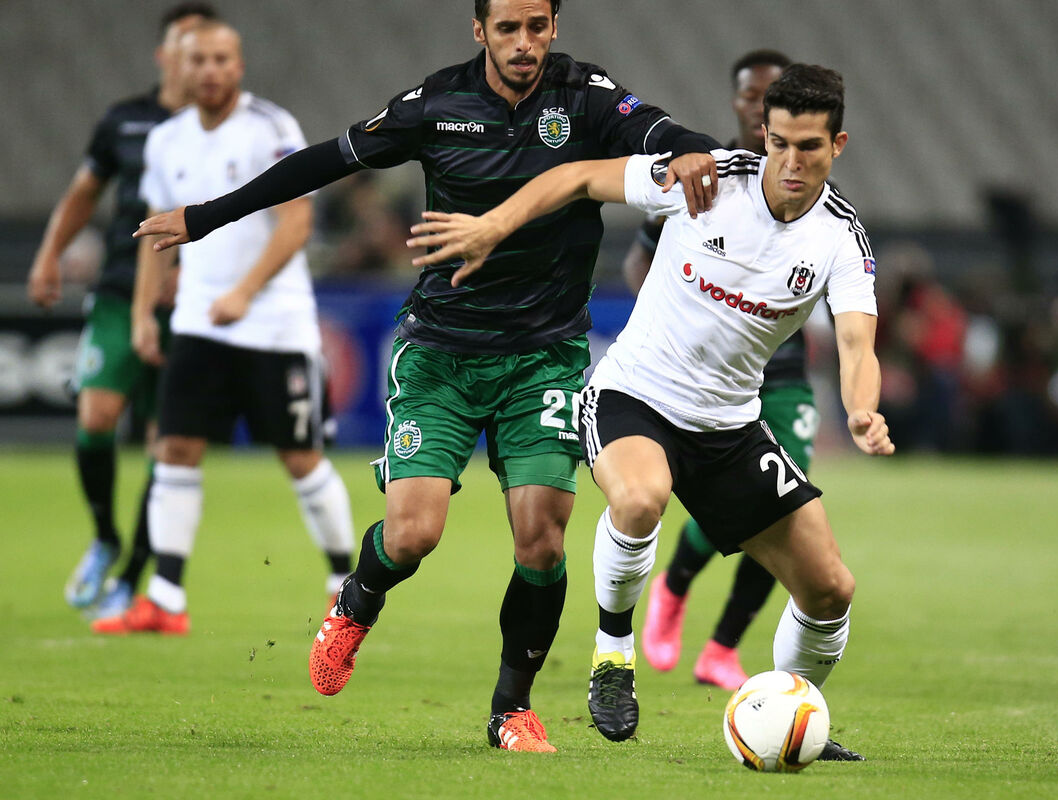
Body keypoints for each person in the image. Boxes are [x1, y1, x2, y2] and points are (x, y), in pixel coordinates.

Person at [133, 0, 720, 753]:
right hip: (442, 351)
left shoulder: (585, 96)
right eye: (507, 28)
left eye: (537, 27)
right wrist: (209, 216)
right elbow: (330, 159)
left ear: (553, 27)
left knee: (542, 542)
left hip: (543, 357)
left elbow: (660, 130)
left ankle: (511, 709)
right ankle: (359, 596)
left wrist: (694, 148)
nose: (524, 43)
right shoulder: (437, 103)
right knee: (414, 534)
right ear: (480, 31)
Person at [407, 63, 893, 760]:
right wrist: (493, 225)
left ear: (837, 145)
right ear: (763, 133)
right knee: (640, 499)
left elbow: (856, 344)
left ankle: (792, 712)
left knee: (830, 589)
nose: (791, 162)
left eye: (809, 147)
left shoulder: (840, 238)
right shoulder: (705, 181)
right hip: (635, 396)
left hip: (729, 426)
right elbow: (578, 176)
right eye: (779, 142)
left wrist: (863, 410)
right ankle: (613, 652)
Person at [91, 20, 357, 635]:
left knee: (300, 456)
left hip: (274, 326)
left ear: (238, 65)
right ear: (177, 67)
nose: (210, 70)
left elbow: (296, 222)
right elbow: (156, 233)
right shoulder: (166, 141)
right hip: (198, 324)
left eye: (221, 59)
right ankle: (166, 598)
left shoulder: (271, 127)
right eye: (199, 60)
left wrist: (245, 292)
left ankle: (342, 582)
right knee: (174, 449)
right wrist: (143, 313)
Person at [622, 49, 821, 693]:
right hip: (700, 378)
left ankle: (722, 647)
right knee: (719, 497)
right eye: (751, 95)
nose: (760, 105)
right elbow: (639, 259)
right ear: (739, 104)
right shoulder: (705, 174)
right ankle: (675, 587)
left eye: (773, 94)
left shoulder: (809, 186)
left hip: (780, 372)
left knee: (784, 503)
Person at [26, 3, 219, 619]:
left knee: (170, 444)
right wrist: (49, 255)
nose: (196, 60)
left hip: (193, 304)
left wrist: (191, 270)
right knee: (97, 415)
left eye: (207, 48)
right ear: (166, 55)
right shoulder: (126, 121)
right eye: (185, 45)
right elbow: (84, 193)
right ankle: (105, 536)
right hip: (118, 289)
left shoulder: (227, 131)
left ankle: (132, 574)